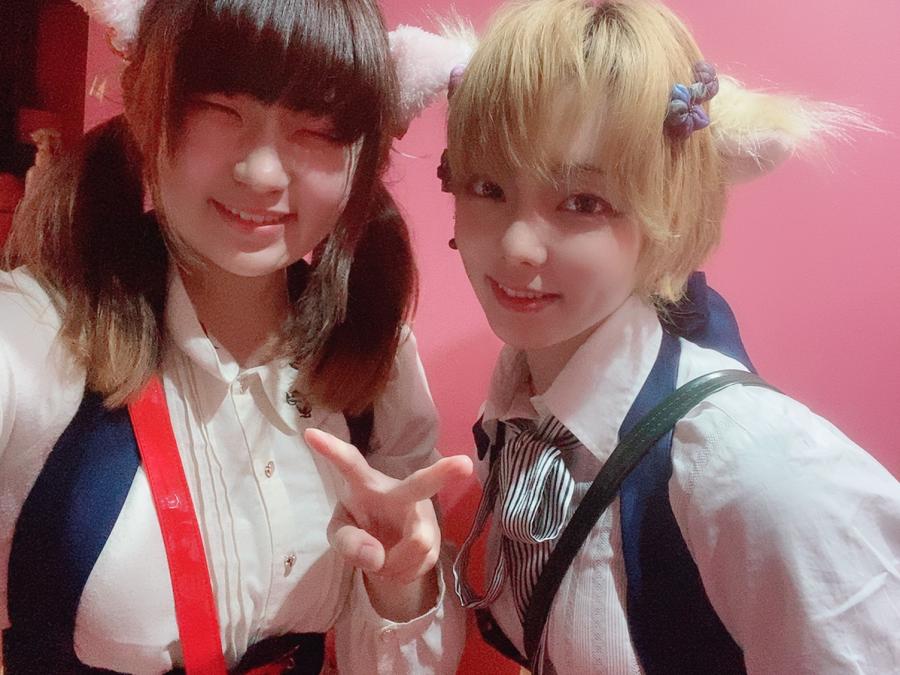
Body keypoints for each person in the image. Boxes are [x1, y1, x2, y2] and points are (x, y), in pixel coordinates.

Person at [0, 0, 470, 672]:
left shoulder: (372, 353)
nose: (262, 173)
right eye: (218, 108)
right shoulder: (39, 336)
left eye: (317, 128)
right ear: (147, 109)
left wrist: (399, 583)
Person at [442, 1, 900, 673]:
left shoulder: (761, 478)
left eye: (583, 202)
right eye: (488, 186)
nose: (516, 245)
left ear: (668, 213)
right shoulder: (518, 409)